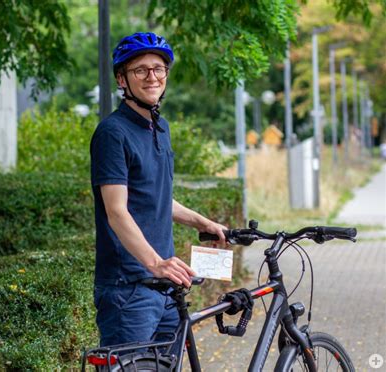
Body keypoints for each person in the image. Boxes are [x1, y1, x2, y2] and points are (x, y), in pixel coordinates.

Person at [90, 32, 227, 347]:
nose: (152, 77)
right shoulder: (113, 133)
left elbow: (157, 197)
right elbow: (116, 211)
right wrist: (155, 262)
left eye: (158, 69)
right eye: (141, 70)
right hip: (129, 289)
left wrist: (202, 222)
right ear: (122, 79)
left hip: (166, 285)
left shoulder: (159, 128)